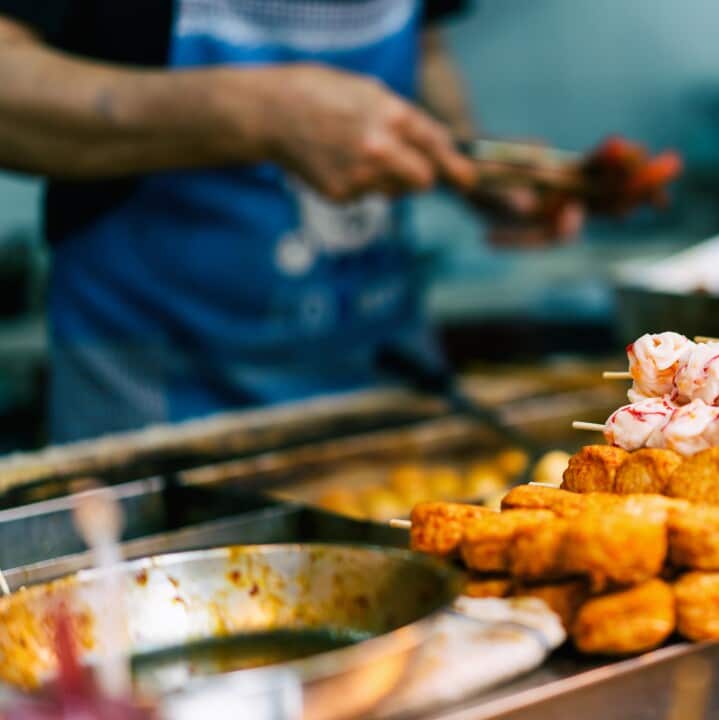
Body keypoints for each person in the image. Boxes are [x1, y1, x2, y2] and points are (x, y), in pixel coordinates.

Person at [0, 1, 587, 443]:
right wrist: (258, 115)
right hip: (162, 401)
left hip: (384, 380)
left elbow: (422, 41)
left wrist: (473, 163)